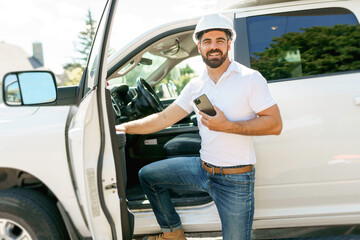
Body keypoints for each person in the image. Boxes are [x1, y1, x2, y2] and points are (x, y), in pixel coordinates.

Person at [116, 13, 282, 240]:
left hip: (235, 179)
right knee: (148, 176)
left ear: (229, 44)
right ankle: (173, 234)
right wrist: (123, 128)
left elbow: (274, 124)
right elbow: (164, 118)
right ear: (199, 46)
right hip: (202, 169)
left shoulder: (250, 79)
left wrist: (227, 126)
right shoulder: (196, 85)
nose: (214, 47)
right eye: (207, 41)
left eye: (219, 41)